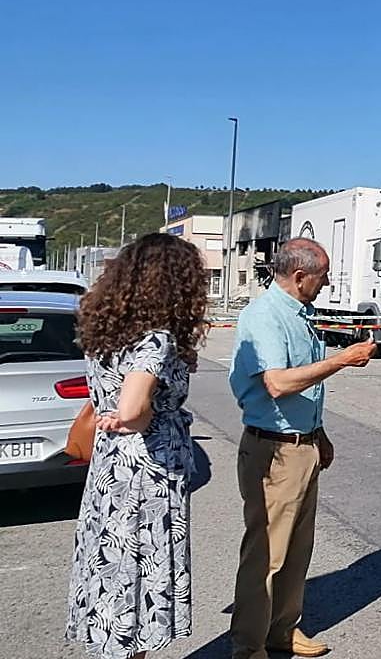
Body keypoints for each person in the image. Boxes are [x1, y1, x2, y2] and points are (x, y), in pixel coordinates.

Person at [228, 238, 376, 659]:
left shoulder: (300, 314)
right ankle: (248, 645)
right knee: (268, 554)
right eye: (322, 275)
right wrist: (342, 360)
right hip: (273, 451)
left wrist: (319, 432)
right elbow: (279, 383)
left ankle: (282, 629)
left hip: (301, 444)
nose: (327, 282)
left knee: (297, 549)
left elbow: (302, 394)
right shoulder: (266, 316)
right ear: (299, 276)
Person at [66, 233, 209, 659]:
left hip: (110, 469)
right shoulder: (156, 338)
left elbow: (119, 395)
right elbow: (132, 407)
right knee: (135, 577)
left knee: (112, 575)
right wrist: (141, 415)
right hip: (145, 474)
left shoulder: (109, 333)